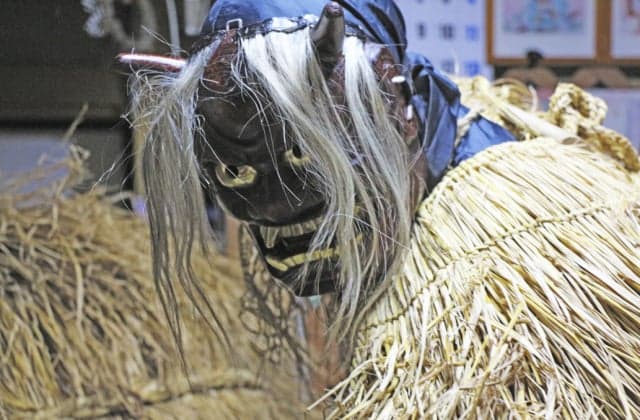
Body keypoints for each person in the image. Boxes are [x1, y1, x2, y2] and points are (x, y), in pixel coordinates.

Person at [125, 0, 640, 417]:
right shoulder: (416, 190)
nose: (278, 203)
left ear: (398, 107)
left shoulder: (513, 247)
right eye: (236, 170)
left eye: (308, 155)